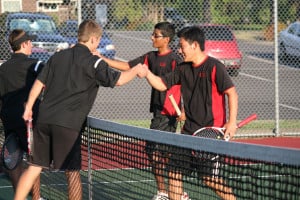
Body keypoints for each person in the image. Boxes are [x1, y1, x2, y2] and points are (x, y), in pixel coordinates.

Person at [14, 19, 146, 200]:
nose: (98, 43)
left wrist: (29, 107)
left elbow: (39, 82)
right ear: (92, 39)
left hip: (44, 120)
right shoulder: (94, 62)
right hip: (68, 125)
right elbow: (120, 80)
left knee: (34, 168)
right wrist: (136, 70)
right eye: (98, 40)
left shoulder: (57, 56)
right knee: (73, 172)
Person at [140, 26, 238, 200]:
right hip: (188, 133)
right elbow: (162, 84)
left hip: (210, 135)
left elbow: (231, 92)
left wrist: (231, 122)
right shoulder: (183, 68)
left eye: (182, 46)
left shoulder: (215, 67)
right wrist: (146, 73)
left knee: (210, 180)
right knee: (174, 174)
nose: (179, 50)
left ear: (194, 46)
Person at [97, 22, 187, 200]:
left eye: (156, 35)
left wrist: (183, 108)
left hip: (169, 114)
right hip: (157, 111)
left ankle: (172, 192)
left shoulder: (176, 60)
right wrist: (102, 58)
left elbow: (186, 85)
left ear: (166, 39)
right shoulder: (150, 57)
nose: (152, 38)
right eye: (152, 34)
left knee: (158, 152)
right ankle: (169, 192)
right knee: (159, 153)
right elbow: (128, 66)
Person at [0, 29, 44, 200]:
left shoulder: (2, 68)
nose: (32, 45)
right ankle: (36, 197)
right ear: (24, 44)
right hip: (29, 120)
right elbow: (50, 81)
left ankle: (20, 195)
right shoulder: (36, 64)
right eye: (30, 42)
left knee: (14, 161)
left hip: (9, 120)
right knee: (35, 161)